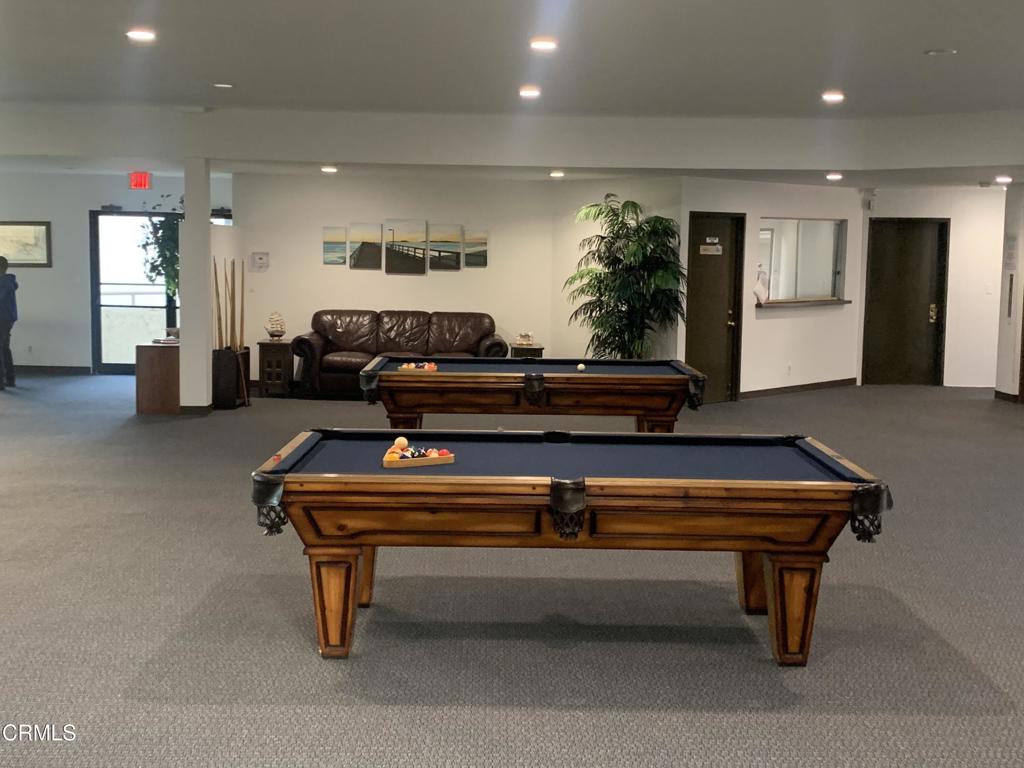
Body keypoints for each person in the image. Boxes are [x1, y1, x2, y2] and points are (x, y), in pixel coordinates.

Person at [0, 256, 17, 390]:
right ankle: (10, 379)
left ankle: (1, 382)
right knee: (4, 348)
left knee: (2, 348)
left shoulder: (3, 282)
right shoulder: (9, 281)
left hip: (2, 318)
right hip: (8, 318)